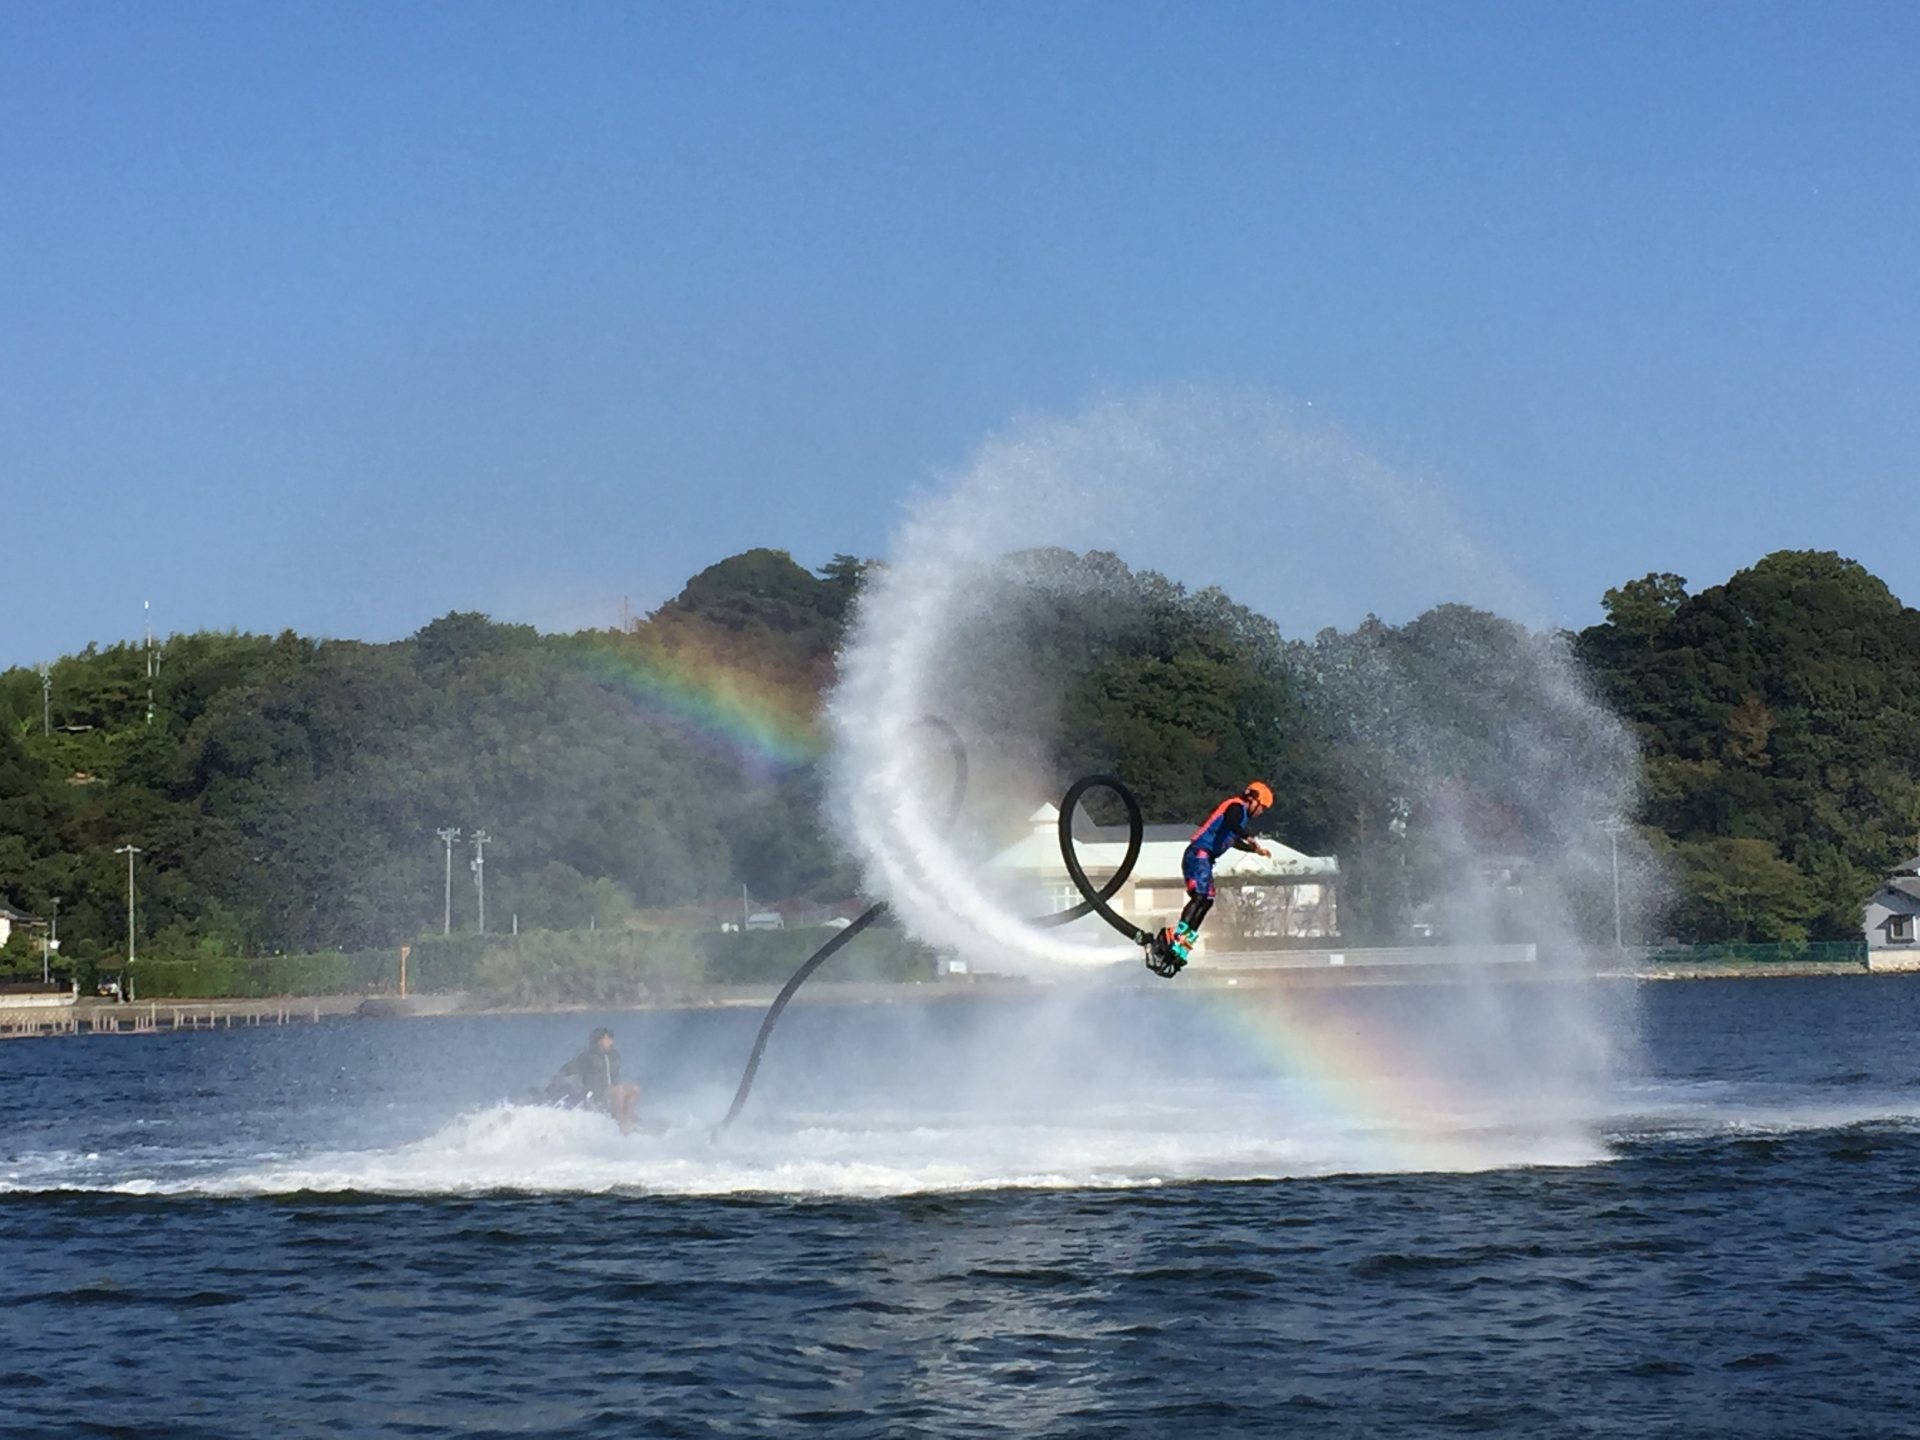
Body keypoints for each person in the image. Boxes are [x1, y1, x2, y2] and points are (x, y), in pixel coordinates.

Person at [1148, 780, 1275, 975]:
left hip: (1206, 859)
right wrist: (1249, 838)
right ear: (1254, 800)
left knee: (1207, 900)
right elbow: (1232, 824)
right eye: (1262, 808)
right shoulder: (1236, 807)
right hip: (1199, 854)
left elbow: (1231, 840)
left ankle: (1186, 939)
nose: (1261, 813)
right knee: (1199, 897)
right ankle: (1178, 934)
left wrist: (1254, 850)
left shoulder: (1240, 819)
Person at [543, 1026, 643, 1133]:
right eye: (608, 1038)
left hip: (612, 1092)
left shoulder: (614, 1056)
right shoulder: (587, 1057)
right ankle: (621, 1123)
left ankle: (627, 1116)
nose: (611, 1041)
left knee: (634, 1089)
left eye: (611, 1038)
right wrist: (553, 1083)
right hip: (595, 1094)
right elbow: (566, 1070)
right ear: (599, 1041)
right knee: (619, 1090)